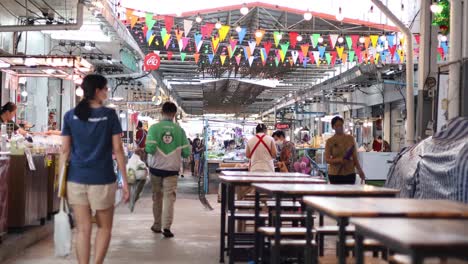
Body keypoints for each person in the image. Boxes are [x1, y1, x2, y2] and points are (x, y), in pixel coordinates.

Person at [61, 74, 130, 264]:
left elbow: (65, 150)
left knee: (82, 229)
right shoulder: (108, 116)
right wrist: (124, 182)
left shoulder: (70, 115)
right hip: (103, 179)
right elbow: (118, 150)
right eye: (106, 89)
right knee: (104, 227)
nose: (107, 92)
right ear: (98, 91)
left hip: (76, 179)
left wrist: (59, 182)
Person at [145, 101, 190, 238]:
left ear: (161, 112)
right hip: (172, 170)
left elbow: (150, 149)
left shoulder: (153, 128)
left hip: (156, 169)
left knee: (157, 197)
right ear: (174, 114)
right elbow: (186, 153)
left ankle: (157, 225)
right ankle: (167, 227)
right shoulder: (180, 131)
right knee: (169, 198)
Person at [325, 116, 366, 184]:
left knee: (349, 193)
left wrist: (360, 171)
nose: (339, 127)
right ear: (333, 127)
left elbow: (355, 157)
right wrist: (339, 160)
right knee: (337, 194)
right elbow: (327, 159)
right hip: (335, 174)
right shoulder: (330, 141)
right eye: (337, 125)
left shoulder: (350, 138)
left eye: (341, 125)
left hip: (350, 173)